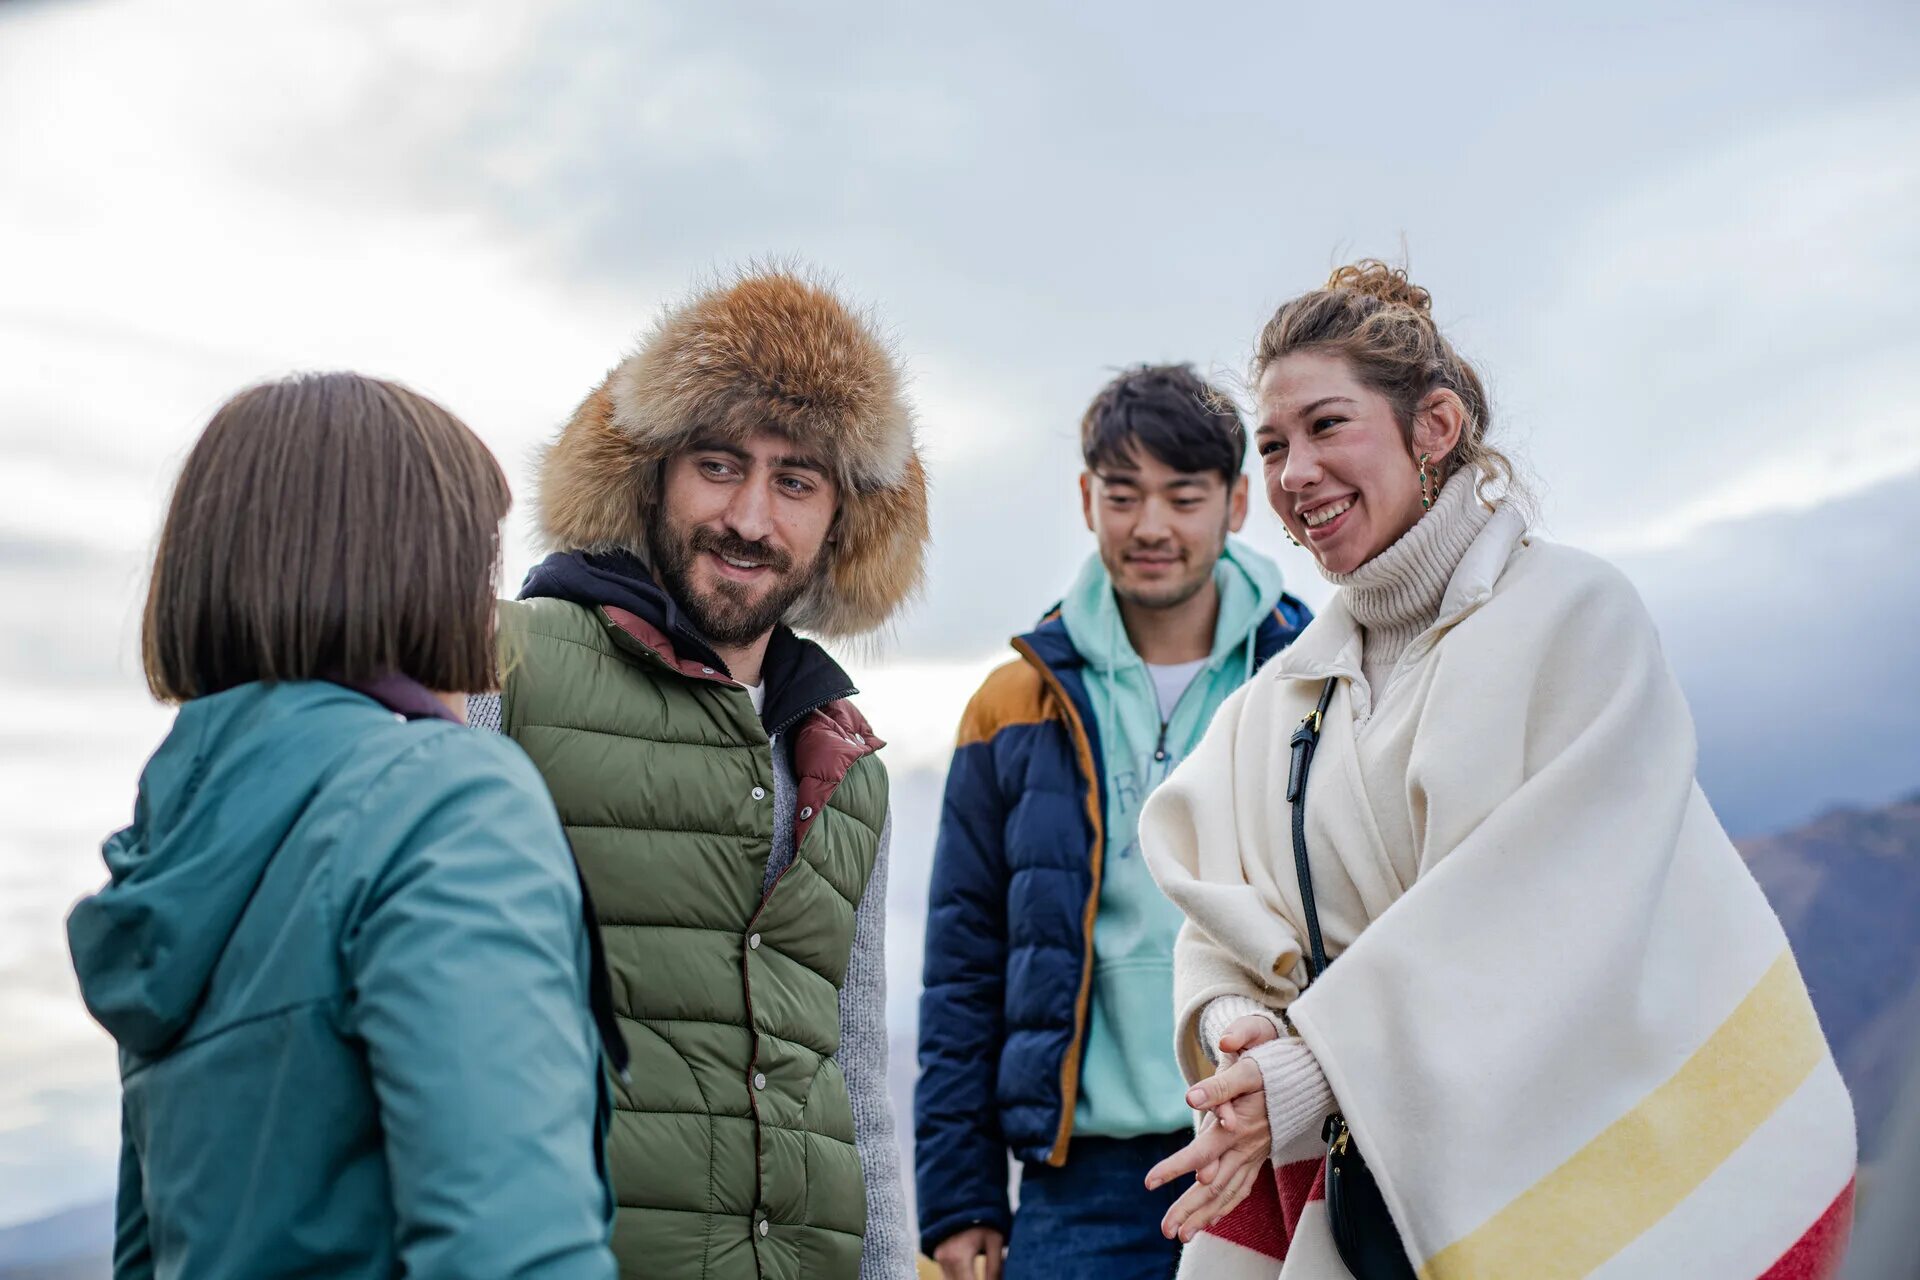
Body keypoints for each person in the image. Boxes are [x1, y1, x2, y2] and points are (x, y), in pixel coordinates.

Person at [1138, 262, 1858, 1279]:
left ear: (1432, 426)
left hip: (1607, 1173)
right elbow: (1219, 904)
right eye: (1274, 444)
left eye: (1327, 425)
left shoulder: (1575, 617)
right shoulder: (1280, 700)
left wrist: (1318, 1066)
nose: (1295, 470)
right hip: (1382, 1197)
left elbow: (1556, 909)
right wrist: (1241, 1030)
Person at [67, 372, 617, 1280]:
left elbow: (148, 1255)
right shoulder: (443, 803)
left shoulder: (178, 850)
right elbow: (512, 1253)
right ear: (410, 578)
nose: (492, 619)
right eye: (478, 568)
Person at [468, 267, 926, 1280]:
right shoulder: (503, 667)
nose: (751, 518)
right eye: (720, 464)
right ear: (653, 475)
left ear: (842, 521)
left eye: (796, 480)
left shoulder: (851, 766)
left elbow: (855, 1075)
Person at [916, 364, 1312, 1280]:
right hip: (1079, 1185)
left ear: (1237, 502)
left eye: (1183, 495)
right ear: (1086, 498)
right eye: (1124, 495)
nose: (1152, 527)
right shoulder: (1012, 703)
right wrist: (961, 1196)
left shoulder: (1310, 679)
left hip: (1278, 1148)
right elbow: (963, 963)